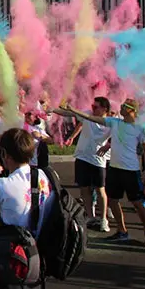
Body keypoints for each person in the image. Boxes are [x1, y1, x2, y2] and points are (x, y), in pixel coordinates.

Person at [0, 128, 56, 289]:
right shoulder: (45, 176)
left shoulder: (3, 185)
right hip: (38, 257)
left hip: (11, 258)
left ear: (5, 155)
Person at [63, 99, 145, 247]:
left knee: (137, 203)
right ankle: (122, 231)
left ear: (133, 111)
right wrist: (74, 110)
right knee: (113, 200)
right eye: (123, 105)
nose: (122, 107)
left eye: (126, 106)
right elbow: (91, 118)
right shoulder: (115, 122)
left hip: (131, 170)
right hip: (114, 169)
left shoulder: (139, 129)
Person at [53, 97, 112, 232]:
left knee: (100, 189)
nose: (93, 109)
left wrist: (108, 146)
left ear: (105, 109)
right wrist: (52, 110)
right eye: (92, 106)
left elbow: (119, 136)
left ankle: (103, 219)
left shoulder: (110, 122)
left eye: (96, 107)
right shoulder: (88, 114)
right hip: (82, 157)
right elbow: (69, 113)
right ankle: (90, 217)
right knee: (84, 188)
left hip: (98, 160)